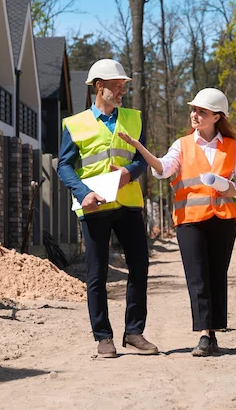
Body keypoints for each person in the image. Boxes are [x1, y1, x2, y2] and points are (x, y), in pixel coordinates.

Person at [119, 87, 236, 356]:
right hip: (189, 220)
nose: (194, 114)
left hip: (223, 220)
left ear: (216, 117)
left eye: (201, 111)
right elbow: (163, 168)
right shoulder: (181, 145)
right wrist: (140, 149)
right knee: (197, 277)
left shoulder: (232, 147)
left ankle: (213, 333)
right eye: (193, 110)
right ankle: (203, 334)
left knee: (217, 276)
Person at [57, 58, 159, 358]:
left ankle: (135, 333)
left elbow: (142, 157)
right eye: (117, 86)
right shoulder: (74, 124)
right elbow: (65, 166)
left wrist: (131, 172)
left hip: (128, 203)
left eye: (123, 86)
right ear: (99, 87)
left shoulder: (134, 118)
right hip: (94, 206)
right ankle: (103, 336)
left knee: (139, 266)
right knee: (96, 273)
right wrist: (82, 192)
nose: (122, 91)